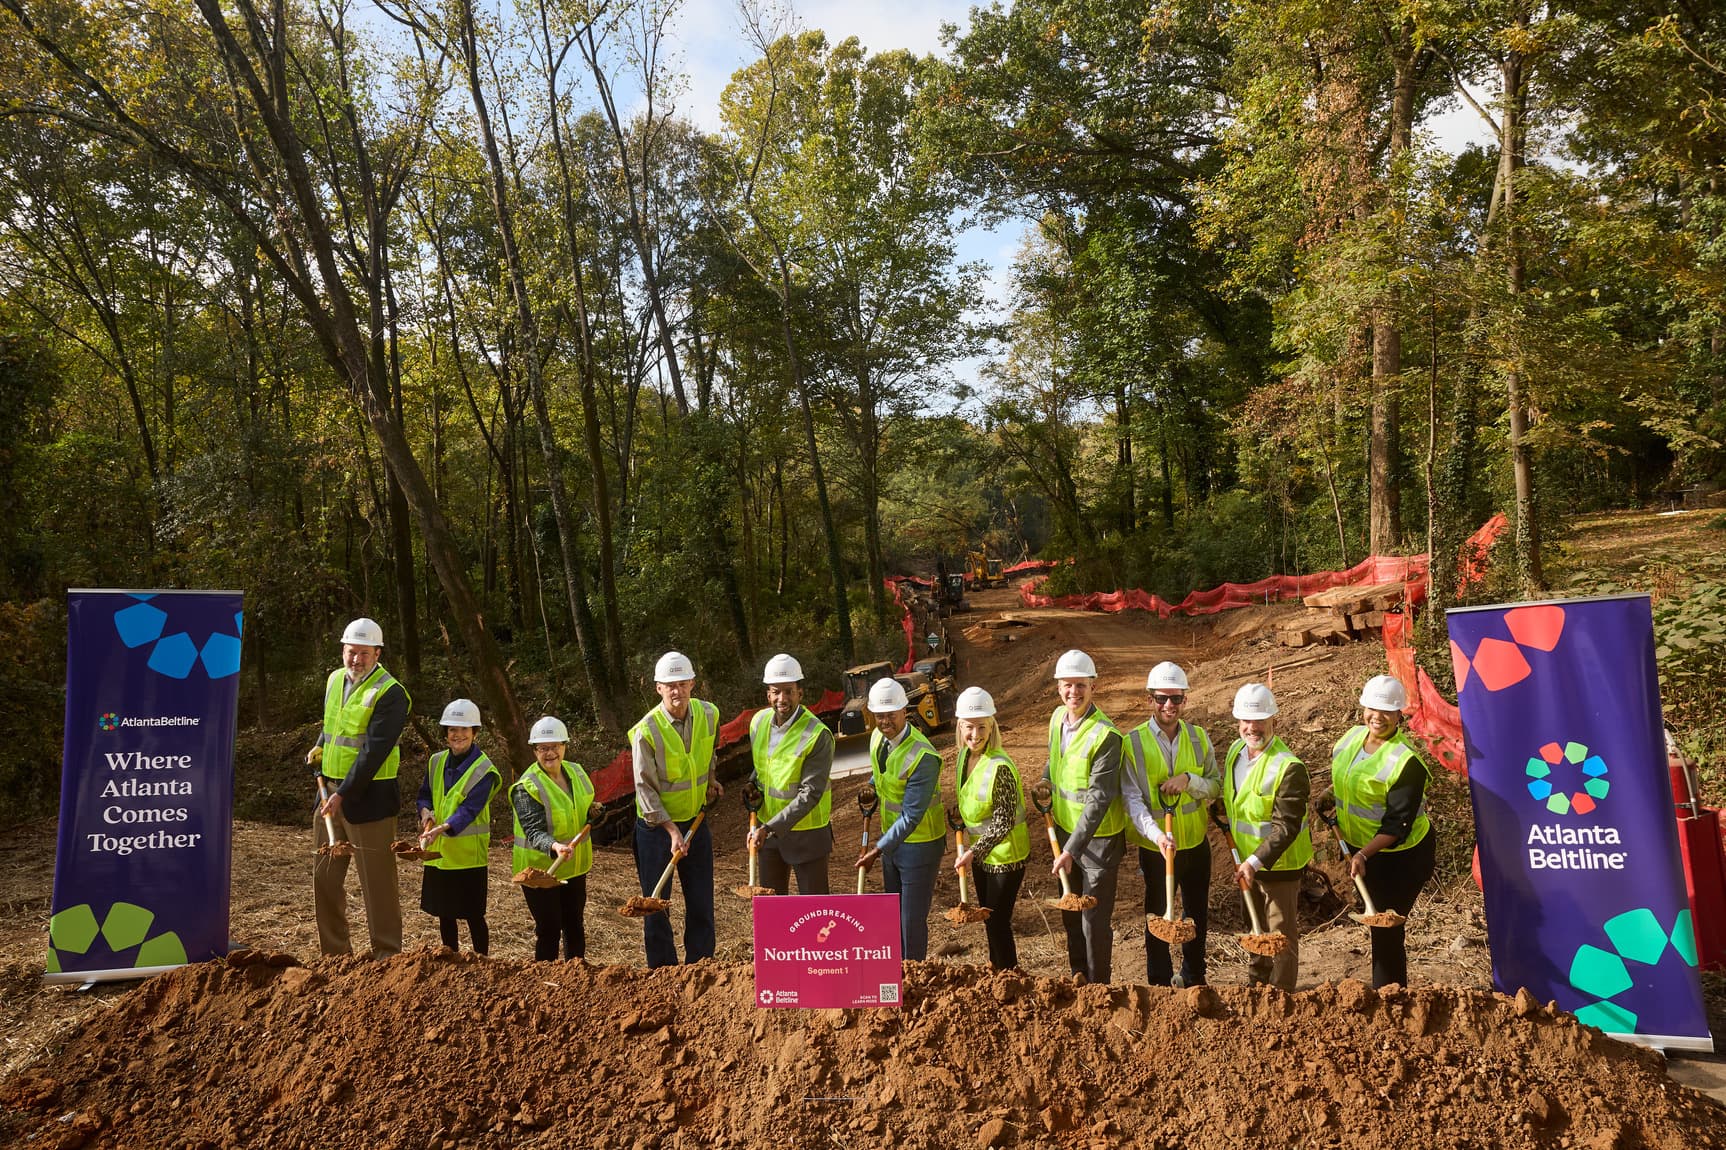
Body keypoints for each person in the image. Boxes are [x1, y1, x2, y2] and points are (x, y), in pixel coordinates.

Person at [1317, 674, 1436, 989]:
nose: (1377, 717)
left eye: (1387, 711)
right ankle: (1388, 992)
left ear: (1399, 715)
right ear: (1363, 706)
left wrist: (1363, 853)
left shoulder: (1404, 762)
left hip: (1401, 857)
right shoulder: (1351, 739)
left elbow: (1399, 825)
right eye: (1372, 708)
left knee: (1386, 927)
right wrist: (1330, 794)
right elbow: (1351, 777)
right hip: (1365, 853)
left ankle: (1391, 997)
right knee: (1379, 926)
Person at [309, 616, 410, 958]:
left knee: (377, 884)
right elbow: (333, 724)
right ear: (343, 650)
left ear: (378, 653)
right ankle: (336, 956)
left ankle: (386, 956)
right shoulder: (335, 679)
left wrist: (342, 794)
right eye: (352, 652)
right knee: (324, 878)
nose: (357, 659)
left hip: (369, 799)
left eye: (365, 653)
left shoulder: (392, 693)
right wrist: (320, 744)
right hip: (329, 794)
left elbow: (373, 752)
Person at [1122, 661, 1220, 987]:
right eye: (1162, 698)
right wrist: (1157, 837)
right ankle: (1160, 982)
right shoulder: (1132, 742)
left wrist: (1189, 779)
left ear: (1185, 700)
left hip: (1194, 843)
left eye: (1176, 699)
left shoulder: (1198, 738)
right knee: (1157, 916)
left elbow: (1215, 785)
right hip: (1156, 849)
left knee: (1196, 916)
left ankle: (1194, 978)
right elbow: (1132, 799)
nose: (1169, 706)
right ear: (1150, 699)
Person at [629, 651, 722, 968]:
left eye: (682, 684)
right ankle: (663, 973)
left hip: (695, 822)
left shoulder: (709, 715)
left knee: (701, 902)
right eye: (670, 685)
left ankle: (701, 967)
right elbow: (645, 790)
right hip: (656, 831)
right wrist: (671, 831)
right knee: (656, 906)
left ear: (693, 684)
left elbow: (709, 750)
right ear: (658, 688)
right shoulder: (646, 730)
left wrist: (711, 778)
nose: (676, 691)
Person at [1222, 682, 1311, 991]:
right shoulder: (1236, 752)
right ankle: (1257, 984)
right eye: (1246, 721)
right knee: (1255, 926)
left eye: (1259, 720)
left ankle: (1281, 993)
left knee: (1280, 933)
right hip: (1245, 860)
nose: (1252, 727)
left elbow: (1286, 826)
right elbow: (1243, 798)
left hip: (1279, 865)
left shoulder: (1288, 767)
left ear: (1274, 719)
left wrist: (1254, 862)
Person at [1044, 648, 1125, 984]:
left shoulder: (1106, 736)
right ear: (1058, 687)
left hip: (1098, 843)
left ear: (1093, 686)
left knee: (1092, 919)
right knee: (1070, 912)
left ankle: (1098, 985)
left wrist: (1071, 850)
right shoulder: (1056, 719)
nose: (1073, 693)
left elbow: (1098, 799)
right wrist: (1045, 781)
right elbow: (1056, 761)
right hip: (1064, 832)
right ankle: (1078, 976)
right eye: (1067, 686)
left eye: (1080, 685)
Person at [857, 678, 946, 961]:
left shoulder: (923, 756)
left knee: (910, 919)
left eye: (891, 714)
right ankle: (896, 973)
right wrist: (871, 785)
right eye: (879, 715)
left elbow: (911, 816)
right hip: (891, 841)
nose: (885, 721)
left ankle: (914, 975)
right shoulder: (877, 738)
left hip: (920, 844)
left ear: (904, 710)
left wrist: (877, 849)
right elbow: (883, 773)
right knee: (892, 915)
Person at [951, 686, 1028, 970]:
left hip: (1007, 856)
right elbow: (970, 797)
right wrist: (959, 819)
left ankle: (1009, 977)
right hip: (982, 854)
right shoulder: (963, 758)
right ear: (960, 726)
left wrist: (973, 851)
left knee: (997, 922)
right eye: (969, 727)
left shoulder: (1000, 766)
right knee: (989, 921)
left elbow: (1004, 820)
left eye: (982, 727)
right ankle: (997, 972)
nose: (975, 734)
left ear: (991, 726)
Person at [415, 698, 500, 954]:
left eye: (464, 729)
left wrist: (445, 827)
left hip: (468, 857)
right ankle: (449, 960)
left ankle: (482, 961)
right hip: (439, 855)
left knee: (473, 915)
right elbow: (425, 795)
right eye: (452, 729)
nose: (458, 735)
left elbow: (470, 809)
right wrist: (426, 815)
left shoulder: (485, 770)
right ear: (446, 733)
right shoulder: (436, 761)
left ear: (475, 732)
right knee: (445, 913)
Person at [746, 653, 835, 895]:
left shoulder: (818, 735)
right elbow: (765, 764)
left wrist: (768, 827)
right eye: (776, 692)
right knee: (772, 912)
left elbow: (811, 793)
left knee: (815, 913)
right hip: (769, 836)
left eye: (788, 691)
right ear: (768, 694)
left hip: (807, 835)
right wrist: (752, 783)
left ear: (800, 693)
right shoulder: (758, 723)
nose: (781, 698)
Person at [512, 716, 598, 961]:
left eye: (555, 746)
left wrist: (594, 811)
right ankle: (544, 985)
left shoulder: (576, 772)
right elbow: (533, 830)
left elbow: (583, 806)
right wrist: (554, 846)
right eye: (543, 748)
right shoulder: (527, 786)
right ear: (534, 751)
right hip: (540, 872)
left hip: (574, 867)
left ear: (564, 746)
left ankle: (575, 978)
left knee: (574, 924)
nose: (550, 753)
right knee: (549, 928)